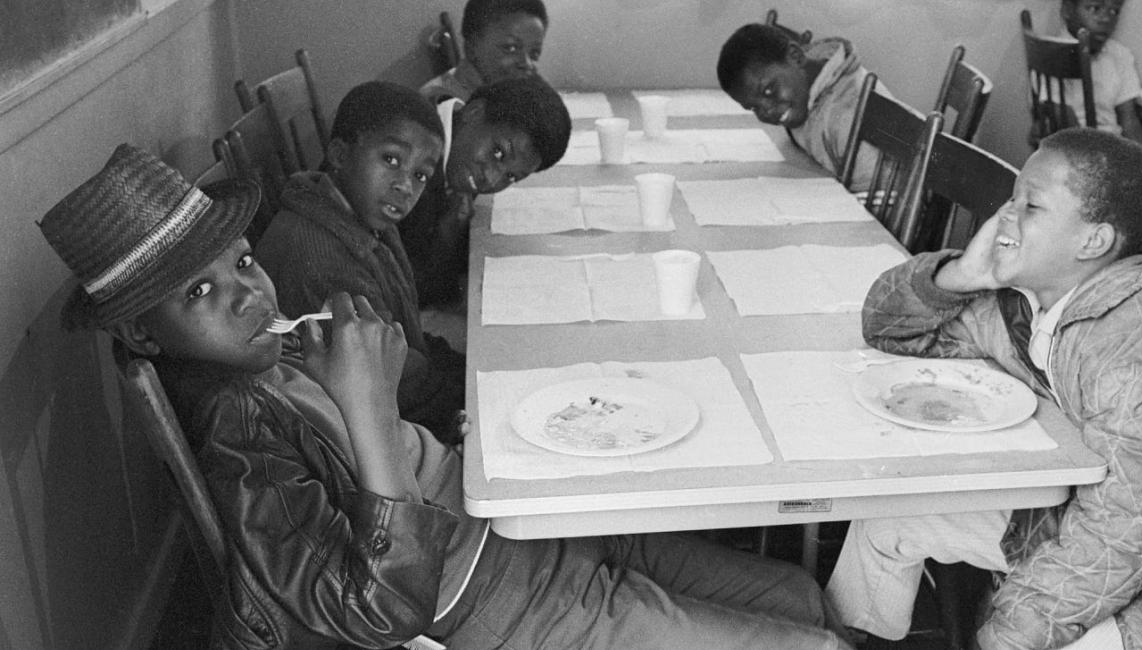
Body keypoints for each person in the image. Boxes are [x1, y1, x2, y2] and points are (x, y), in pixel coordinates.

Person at [39, 143, 855, 649]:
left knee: (805, 598)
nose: (247, 293)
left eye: (244, 264)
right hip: (495, 602)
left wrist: (380, 380)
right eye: (198, 293)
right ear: (144, 334)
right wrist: (369, 405)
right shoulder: (235, 432)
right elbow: (373, 611)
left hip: (517, 521)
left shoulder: (270, 352)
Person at [825, 129, 1142, 648]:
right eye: (1011, 198)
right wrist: (960, 275)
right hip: (1060, 522)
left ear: (1093, 242)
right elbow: (888, 329)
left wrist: (1007, 633)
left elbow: (1127, 533)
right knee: (886, 518)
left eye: (1032, 205)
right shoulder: (1030, 306)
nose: (1006, 213)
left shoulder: (1136, 356)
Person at [254, 81, 464, 444]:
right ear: (339, 154)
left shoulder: (368, 218)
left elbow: (403, 333)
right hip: (368, 437)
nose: (405, 186)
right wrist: (464, 397)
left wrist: (462, 369)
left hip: (399, 400)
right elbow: (388, 386)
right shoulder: (322, 262)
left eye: (420, 175)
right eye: (391, 160)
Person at [399, 75, 570, 308]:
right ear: (474, 112)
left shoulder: (456, 138)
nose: (491, 180)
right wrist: (447, 234)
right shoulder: (410, 161)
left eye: (511, 177)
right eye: (498, 153)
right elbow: (402, 293)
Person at [716, 22, 888, 193]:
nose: (767, 111)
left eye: (768, 91)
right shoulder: (802, 91)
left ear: (796, 56)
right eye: (754, 108)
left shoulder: (848, 115)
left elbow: (881, 196)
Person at [1047, 0, 1142, 152]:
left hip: (1114, 150)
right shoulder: (1049, 55)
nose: (1106, 19)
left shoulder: (1119, 55)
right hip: (1074, 154)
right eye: (1094, 8)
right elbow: (1068, 128)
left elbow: (1129, 120)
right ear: (1067, 10)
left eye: (1114, 11)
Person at [420, 0, 548, 103]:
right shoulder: (445, 106)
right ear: (471, 47)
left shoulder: (508, 93)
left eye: (534, 53)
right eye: (510, 48)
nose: (527, 63)